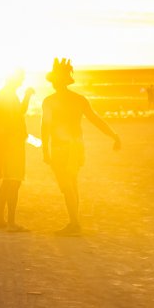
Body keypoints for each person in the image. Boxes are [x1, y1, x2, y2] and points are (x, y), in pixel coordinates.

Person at [42, 58, 121, 236]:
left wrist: (45, 151)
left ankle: (74, 224)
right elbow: (95, 120)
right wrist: (113, 135)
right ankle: (74, 222)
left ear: (55, 81)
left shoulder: (49, 101)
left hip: (61, 147)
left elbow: (45, 128)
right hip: (77, 146)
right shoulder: (79, 99)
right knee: (72, 184)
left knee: (66, 185)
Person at [0, 71, 35, 232]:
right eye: (21, 79)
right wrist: (28, 95)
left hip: (7, 142)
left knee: (8, 180)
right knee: (14, 181)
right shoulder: (8, 94)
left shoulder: (5, 93)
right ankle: (11, 222)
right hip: (13, 142)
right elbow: (18, 113)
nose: (22, 82)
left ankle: (0, 220)